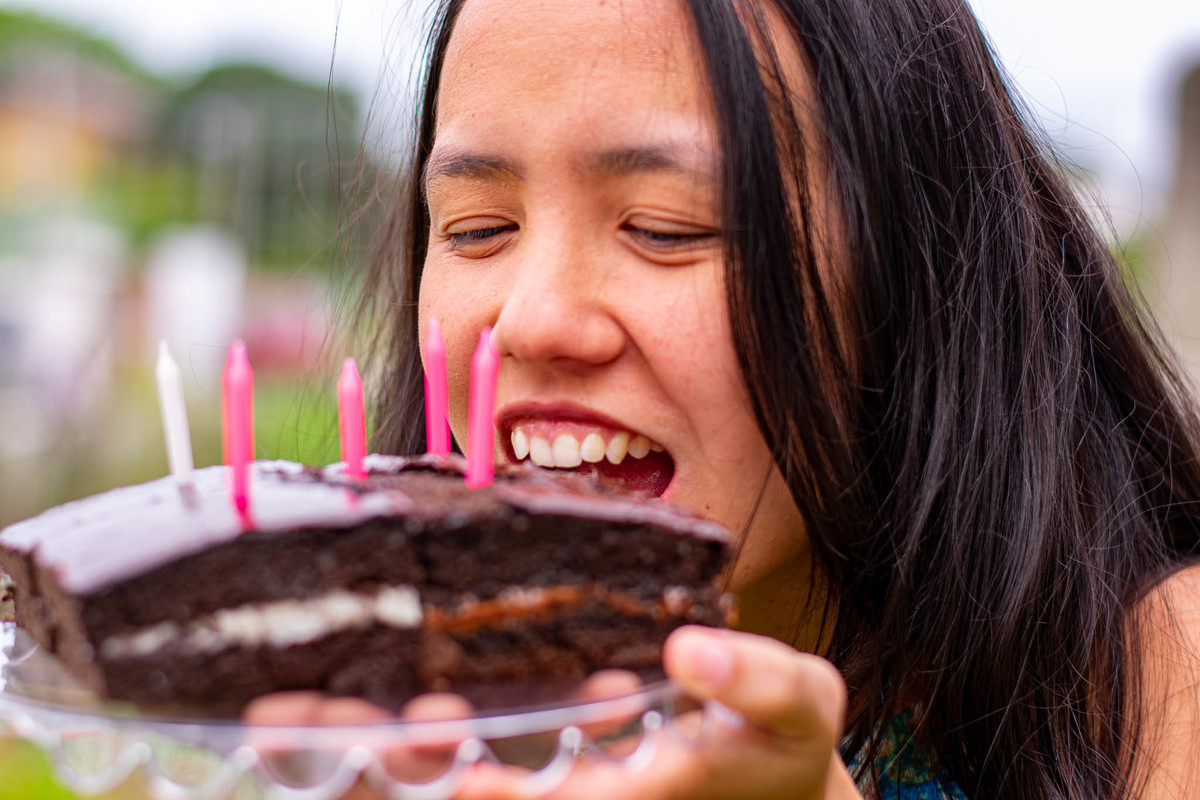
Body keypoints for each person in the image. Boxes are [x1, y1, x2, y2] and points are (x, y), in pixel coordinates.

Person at [254, 0, 1200, 797]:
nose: (532, 320)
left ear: (914, 269)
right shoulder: (404, 730)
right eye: (478, 228)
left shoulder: (1160, 683)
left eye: (666, 228)